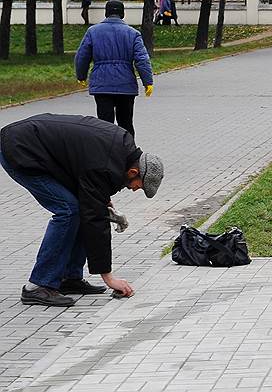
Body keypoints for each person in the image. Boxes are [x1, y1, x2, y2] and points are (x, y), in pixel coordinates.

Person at [0, 113, 164, 306]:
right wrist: (108, 277)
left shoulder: (121, 151)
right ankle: (38, 286)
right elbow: (95, 219)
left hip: (34, 145)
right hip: (21, 150)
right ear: (133, 172)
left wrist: (101, 199)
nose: (135, 189)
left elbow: (90, 182)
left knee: (82, 209)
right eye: (139, 186)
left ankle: (69, 278)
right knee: (69, 211)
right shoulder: (105, 164)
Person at [75, 0, 154, 138]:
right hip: (126, 85)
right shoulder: (133, 33)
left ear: (106, 13)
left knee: (104, 125)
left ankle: (106, 155)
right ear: (122, 14)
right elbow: (142, 59)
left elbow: (82, 56)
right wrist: (147, 82)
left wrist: (81, 76)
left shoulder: (93, 32)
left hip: (102, 85)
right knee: (126, 124)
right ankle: (128, 155)